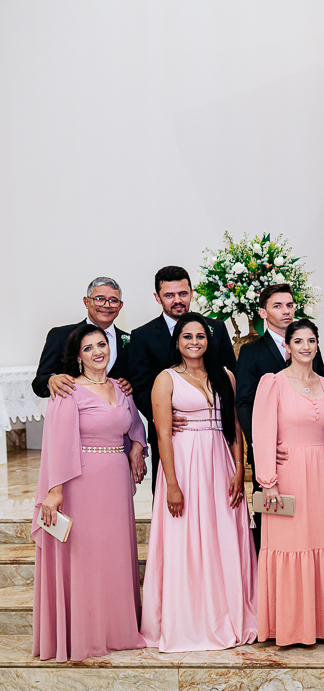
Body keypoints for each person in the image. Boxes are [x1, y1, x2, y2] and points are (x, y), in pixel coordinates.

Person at [140, 313, 256, 652]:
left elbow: (233, 428)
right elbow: (162, 434)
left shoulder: (226, 377)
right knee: (187, 538)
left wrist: (238, 470)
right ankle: (189, 619)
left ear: (209, 341)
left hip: (219, 463)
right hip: (184, 464)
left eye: (201, 336)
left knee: (222, 536)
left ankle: (229, 612)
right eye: (187, 337)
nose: (195, 342)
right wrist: (172, 484)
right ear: (176, 342)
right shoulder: (166, 379)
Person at [31, 325, 147, 662]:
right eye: (88, 348)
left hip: (115, 483)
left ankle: (117, 630)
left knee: (113, 554)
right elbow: (57, 443)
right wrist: (54, 492)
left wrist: (137, 446)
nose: (98, 352)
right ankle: (85, 634)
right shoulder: (69, 391)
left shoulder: (119, 388)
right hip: (80, 482)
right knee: (87, 557)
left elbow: (133, 424)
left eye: (102, 344)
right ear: (77, 357)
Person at [252, 320, 324, 646]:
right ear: (287, 346)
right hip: (287, 475)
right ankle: (288, 626)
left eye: (311, 340)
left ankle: (319, 624)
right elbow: (262, 434)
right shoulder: (273, 383)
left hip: (320, 476)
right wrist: (268, 482)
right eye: (298, 341)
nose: (305, 346)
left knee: (318, 543)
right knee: (289, 545)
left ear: (317, 345)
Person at [128, 266, 237, 494]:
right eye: (169, 295)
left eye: (183, 294)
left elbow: (229, 377)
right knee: (171, 496)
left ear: (192, 293)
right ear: (158, 298)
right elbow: (140, 386)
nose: (177, 300)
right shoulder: (142, 336)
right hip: (171, 431)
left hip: (216, 434)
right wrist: (162, 417)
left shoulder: (216, 328)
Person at [235, 284, 324, 550]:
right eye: (277, 306)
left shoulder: (309, 347)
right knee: (272, 522)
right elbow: (244, 403)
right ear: (263, 312)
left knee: (308, 522)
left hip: (307, 456)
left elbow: (320, 392)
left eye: (289, 305)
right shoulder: (251, 352)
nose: (286, 311)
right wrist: (263, 445)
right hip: (272, 455)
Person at [33, 277, 133, 399]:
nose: (107, 305)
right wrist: (51, 380)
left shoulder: (131, 341)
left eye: (113, 300)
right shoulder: (61, 335)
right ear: (86, 302)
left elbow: (139, 379)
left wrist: (131, 384)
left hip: (117, 412)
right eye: (99, 299)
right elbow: (39, 383)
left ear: (120, 305)